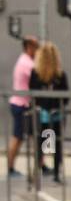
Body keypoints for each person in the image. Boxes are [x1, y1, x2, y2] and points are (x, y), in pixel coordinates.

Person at [29, 42, 68, 182]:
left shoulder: (35, 74)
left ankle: (36, 173)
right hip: (56, 115)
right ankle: (57, 174)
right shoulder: (60, 75)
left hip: (41, 115)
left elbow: (32, 94)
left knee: (41, 144)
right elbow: (66, 96)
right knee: (56, 145)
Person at [8, 36, 38, 179]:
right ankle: (10, 168)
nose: (37, 50)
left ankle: (42, 164)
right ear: (29, 47)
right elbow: (37, 77)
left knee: (37, 136)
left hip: (24, 105)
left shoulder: (26, 61)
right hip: (22, 105)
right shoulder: (27, 64)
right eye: (35, 47)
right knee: (18, 137)